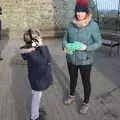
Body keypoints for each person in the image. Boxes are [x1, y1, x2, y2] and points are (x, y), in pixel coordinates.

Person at [62, 0, 102, 114]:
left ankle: (86, 102)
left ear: (86, 12)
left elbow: (99, 42)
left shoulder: (93, 25)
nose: (79, 13)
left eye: (82, 11)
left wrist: (86, 47)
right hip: (71, 58)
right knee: (73, 79)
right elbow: (65, 39)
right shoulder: (71, 24)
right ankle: (72, 95)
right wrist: (65, 46)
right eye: (77, 11)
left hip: (85, 60)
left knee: (86, 81)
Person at [20, 28, 53, 120]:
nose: (41, 39)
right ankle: (34, 116)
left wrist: (38, 45)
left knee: (37, 95)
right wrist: (42, 46)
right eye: (39, 37)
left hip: (36, 78)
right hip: (38, 80)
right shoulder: (33, 54)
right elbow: (47, 59)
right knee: (36, 97)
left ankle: (36, 111)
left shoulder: (30, 50)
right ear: (35, 40)